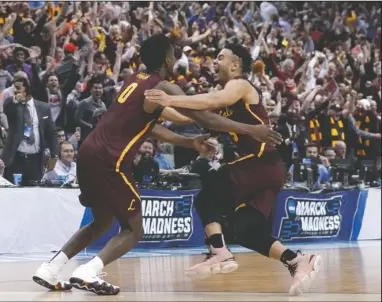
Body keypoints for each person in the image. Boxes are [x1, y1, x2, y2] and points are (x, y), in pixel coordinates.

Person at [32, 34, 282, 296]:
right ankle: (88, 272)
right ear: (166, 58)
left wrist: (191, 143)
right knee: (134, 229)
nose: (177, 58)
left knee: (102, 221)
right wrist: (250, 129)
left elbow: (156, 127)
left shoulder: (134, 81)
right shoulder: (163, 87)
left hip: (88, 153)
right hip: (110, 160)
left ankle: (50, 268)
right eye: (174, 53)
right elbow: (204, 117)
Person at [145, 44, 321, 295]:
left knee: (210, 190)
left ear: (236, 65)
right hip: (268, 170)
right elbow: (187, 116)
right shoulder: (225, 91)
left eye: (220, 58)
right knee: (246, 229)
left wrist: (169, 97)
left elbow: (211, 100)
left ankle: (219, 252)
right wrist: (157, 108)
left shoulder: (240, 85)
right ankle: (297, 260)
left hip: (260, 161)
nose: (214, 62)